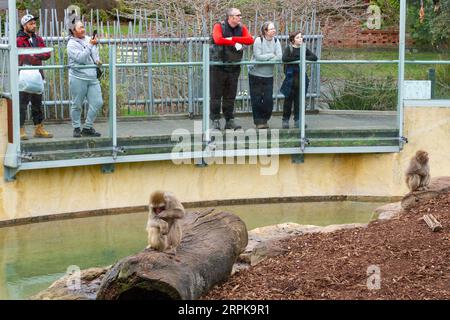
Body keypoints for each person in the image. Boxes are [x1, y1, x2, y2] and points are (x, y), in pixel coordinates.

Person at [210, 8, 254, 130]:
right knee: (215, 95)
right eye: (238, 15)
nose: (240, 17)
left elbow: (250, 40)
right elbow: (218, 39)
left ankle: (229, 120)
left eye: (240, 15)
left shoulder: (242, 27)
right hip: (218, 66)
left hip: (234, 66)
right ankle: (215, 120)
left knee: (230, 96)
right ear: (230, 17)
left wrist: (232, 39)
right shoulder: (219, 26)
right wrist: (234, 43)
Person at [17, 14, 53, 140]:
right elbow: (23, 56)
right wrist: (37, 55)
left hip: (37, 74)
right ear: (24, 25)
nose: (34, 25)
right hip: (23, 74)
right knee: (22, 103)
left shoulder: (38, 39)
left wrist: (35, 55)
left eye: (34, 23)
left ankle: (38, 128)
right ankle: (20, 129)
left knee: (37, 103)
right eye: (31, 23)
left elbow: (47, 53)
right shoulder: (19, 39)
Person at [67, 18, 103, 137]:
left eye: (83, 27)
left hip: (92, 77)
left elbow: (94, 53)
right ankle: (76, 127)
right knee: (77, 104)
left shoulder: (89, 39)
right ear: (73, 31)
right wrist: (90, 46)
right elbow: (81, 58)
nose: (83, 29)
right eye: (80, 28)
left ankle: (87, 127)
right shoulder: (71, 44)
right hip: (78, 77)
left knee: (97, 102)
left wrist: (97, 60)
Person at [248, 21, 282, 129]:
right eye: (271, 29)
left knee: (268, 100)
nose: (274, 30)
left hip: (269, 75)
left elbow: (279, 56)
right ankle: (258, 122)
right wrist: (271, 55)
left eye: (274, 28)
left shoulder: (276, 41)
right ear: (265, 31)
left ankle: (265, 119)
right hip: (255, 74)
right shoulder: (259, 40)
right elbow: (258, 56)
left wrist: (268, 57)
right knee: (256, 99)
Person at [281, 31, 318, 129]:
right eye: (298, 37)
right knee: (288, 101)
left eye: (301, 37)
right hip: (290, 78)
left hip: (301, 78)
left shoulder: (304, 48)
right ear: (293, 40)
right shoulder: (289, 48)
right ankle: (285, 120)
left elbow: (314, 57)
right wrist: (298, 58)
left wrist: (302, 57)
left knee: (299, 101)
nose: (300, 39)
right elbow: (285, 58)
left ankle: (298, 120)